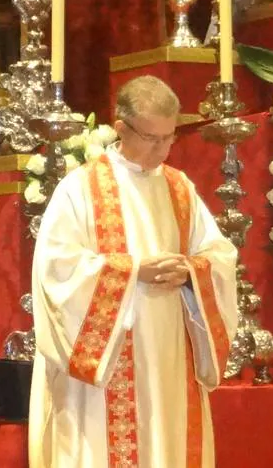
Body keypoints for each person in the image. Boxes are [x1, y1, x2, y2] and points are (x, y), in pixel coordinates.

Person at [29, 76, 238, 468]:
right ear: (121, 128)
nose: (162, 149)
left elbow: (220, 254)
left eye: (169, 137)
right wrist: (131, 271)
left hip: (171, 356)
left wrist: (191, 272)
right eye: (151, 137)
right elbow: (56, 269)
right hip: (107, 368)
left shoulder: (180, 187)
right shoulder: (81, 187)